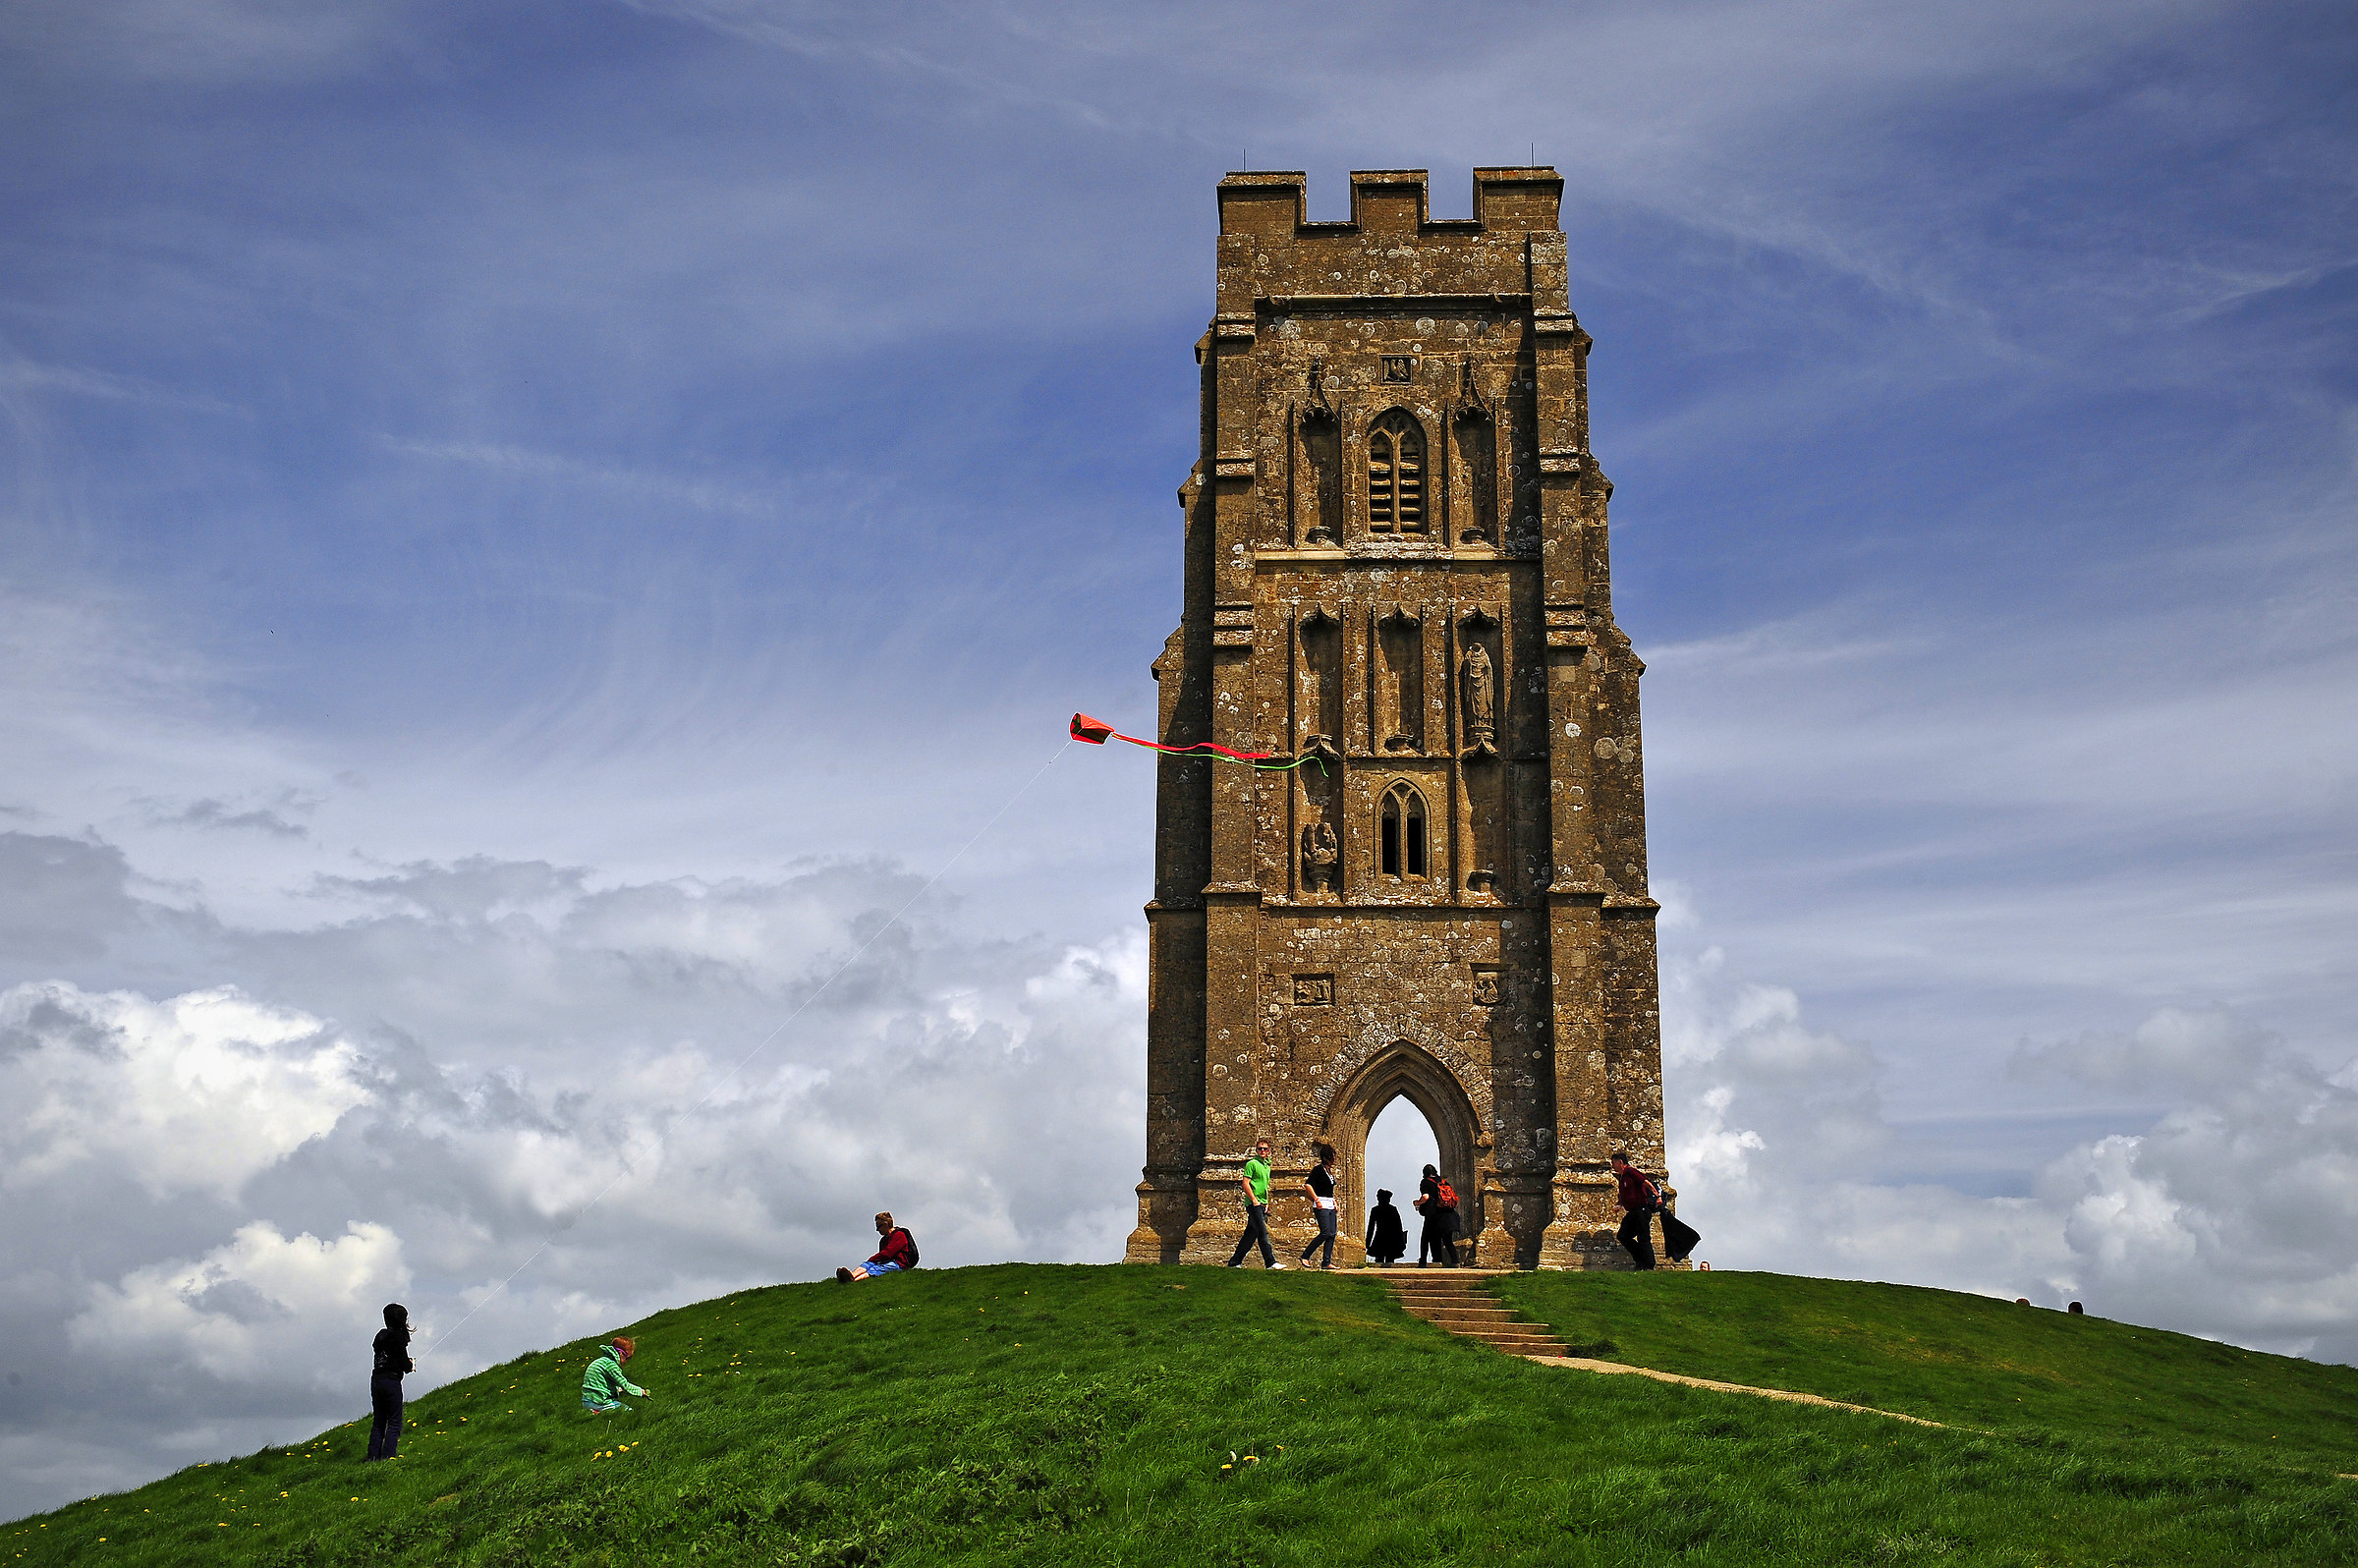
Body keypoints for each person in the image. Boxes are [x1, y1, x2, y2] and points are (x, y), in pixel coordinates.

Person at [1225, 1138, 1283, 1268]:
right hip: (1254, 1203)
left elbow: (1265, 1186)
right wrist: (1254, 1200)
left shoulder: (1266, 1166)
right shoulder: (1252, 1164)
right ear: (1256, 1150)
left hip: (1262, 1203)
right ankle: (1270, 1262)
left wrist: (1266, 1203)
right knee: (1263, 1232)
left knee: (1250, 1235)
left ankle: (1235, 1262)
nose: (1262, 1150)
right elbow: (1245, 1184)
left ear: (1268, 1151)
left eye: (1265, 1149)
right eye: (1260, 1148)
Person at [365, 1303, 413, 1461]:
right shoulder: (397, 1338)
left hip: (376, 1380)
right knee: (394, 1421)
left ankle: (372, 1457)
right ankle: (387, 1457)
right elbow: (404, 1365)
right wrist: (410, 1364)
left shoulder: (380, 1336)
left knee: (379, 1420)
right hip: (391, 1381)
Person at [1610, 1151, 1660, 1270]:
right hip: (1633, 1211)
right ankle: (1641, 1260)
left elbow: (1646, 1182)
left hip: (1642, 1209)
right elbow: (1626, 1194)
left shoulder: (1631, 1172)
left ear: (1620, 1162)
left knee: (1643, 1237)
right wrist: (1619, 1204)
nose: (1612, 1165)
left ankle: (1648, 1264)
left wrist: (1658, 1196)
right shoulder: (1622, 1177)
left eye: (1613, 1162)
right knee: (1623, 1235)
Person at [836, 1212, 919, 1282]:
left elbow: (888, 1253)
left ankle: (854, 1280)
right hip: (887, 1261)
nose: (877, 1229)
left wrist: (873, 1258)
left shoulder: (899, 1235)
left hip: (899, 1264)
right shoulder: (883, 1240)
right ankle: (852, 1275)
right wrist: (872, 1260)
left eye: (879, 1226)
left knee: (876, 1269)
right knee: (867, 1264)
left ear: (886, 1224)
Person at [1299, 1144, 1340, 1269]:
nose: (1334, 1159)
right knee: (1325, 1232)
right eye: (1332, 1156)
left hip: (1330, 1204)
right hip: (1321, 1204)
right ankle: (1305, 1255)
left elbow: (1329, 1190)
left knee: (1332, 1233)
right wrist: (1316, 1199)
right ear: (1326, 1157)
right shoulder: (1318, 1170)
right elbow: (1308, 1185)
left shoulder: (1329, 1172)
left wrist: (1334, 1202)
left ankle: (1326, 1262)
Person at [582, 1336, 649, 1413]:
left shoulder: (603, 1361)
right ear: (621, 1354)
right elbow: (625, 1385)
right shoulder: (611, 1365)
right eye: (627, 1358)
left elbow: (602, 1384)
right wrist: (641, 1392)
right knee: (628, 1411)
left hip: (587, 1400)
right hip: (599, 1401)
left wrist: (617, 1390)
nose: (626, 1362)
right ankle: (599, 1410)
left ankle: (595, 1412)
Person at [1415, 1164, 1459, 1267]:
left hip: (1433, 1214)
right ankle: (1455, 1261)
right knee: (1447, 1240)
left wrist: (1417, 1202)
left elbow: (1425, 1197)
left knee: (1425, 1238)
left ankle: (1423, 1262)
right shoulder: (1443, 1182)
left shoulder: (1425, 1182)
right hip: (1448, 1214)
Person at [1365, 1188, 1407, 1265]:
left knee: (1380, 1258)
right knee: (1388, 1259)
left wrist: (1367, 1242)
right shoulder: (1392, 1209)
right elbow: (1399, 1226)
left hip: (1381, 1237)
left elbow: (1371, 1227)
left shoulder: (1376, 1210)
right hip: (1390, 1238)